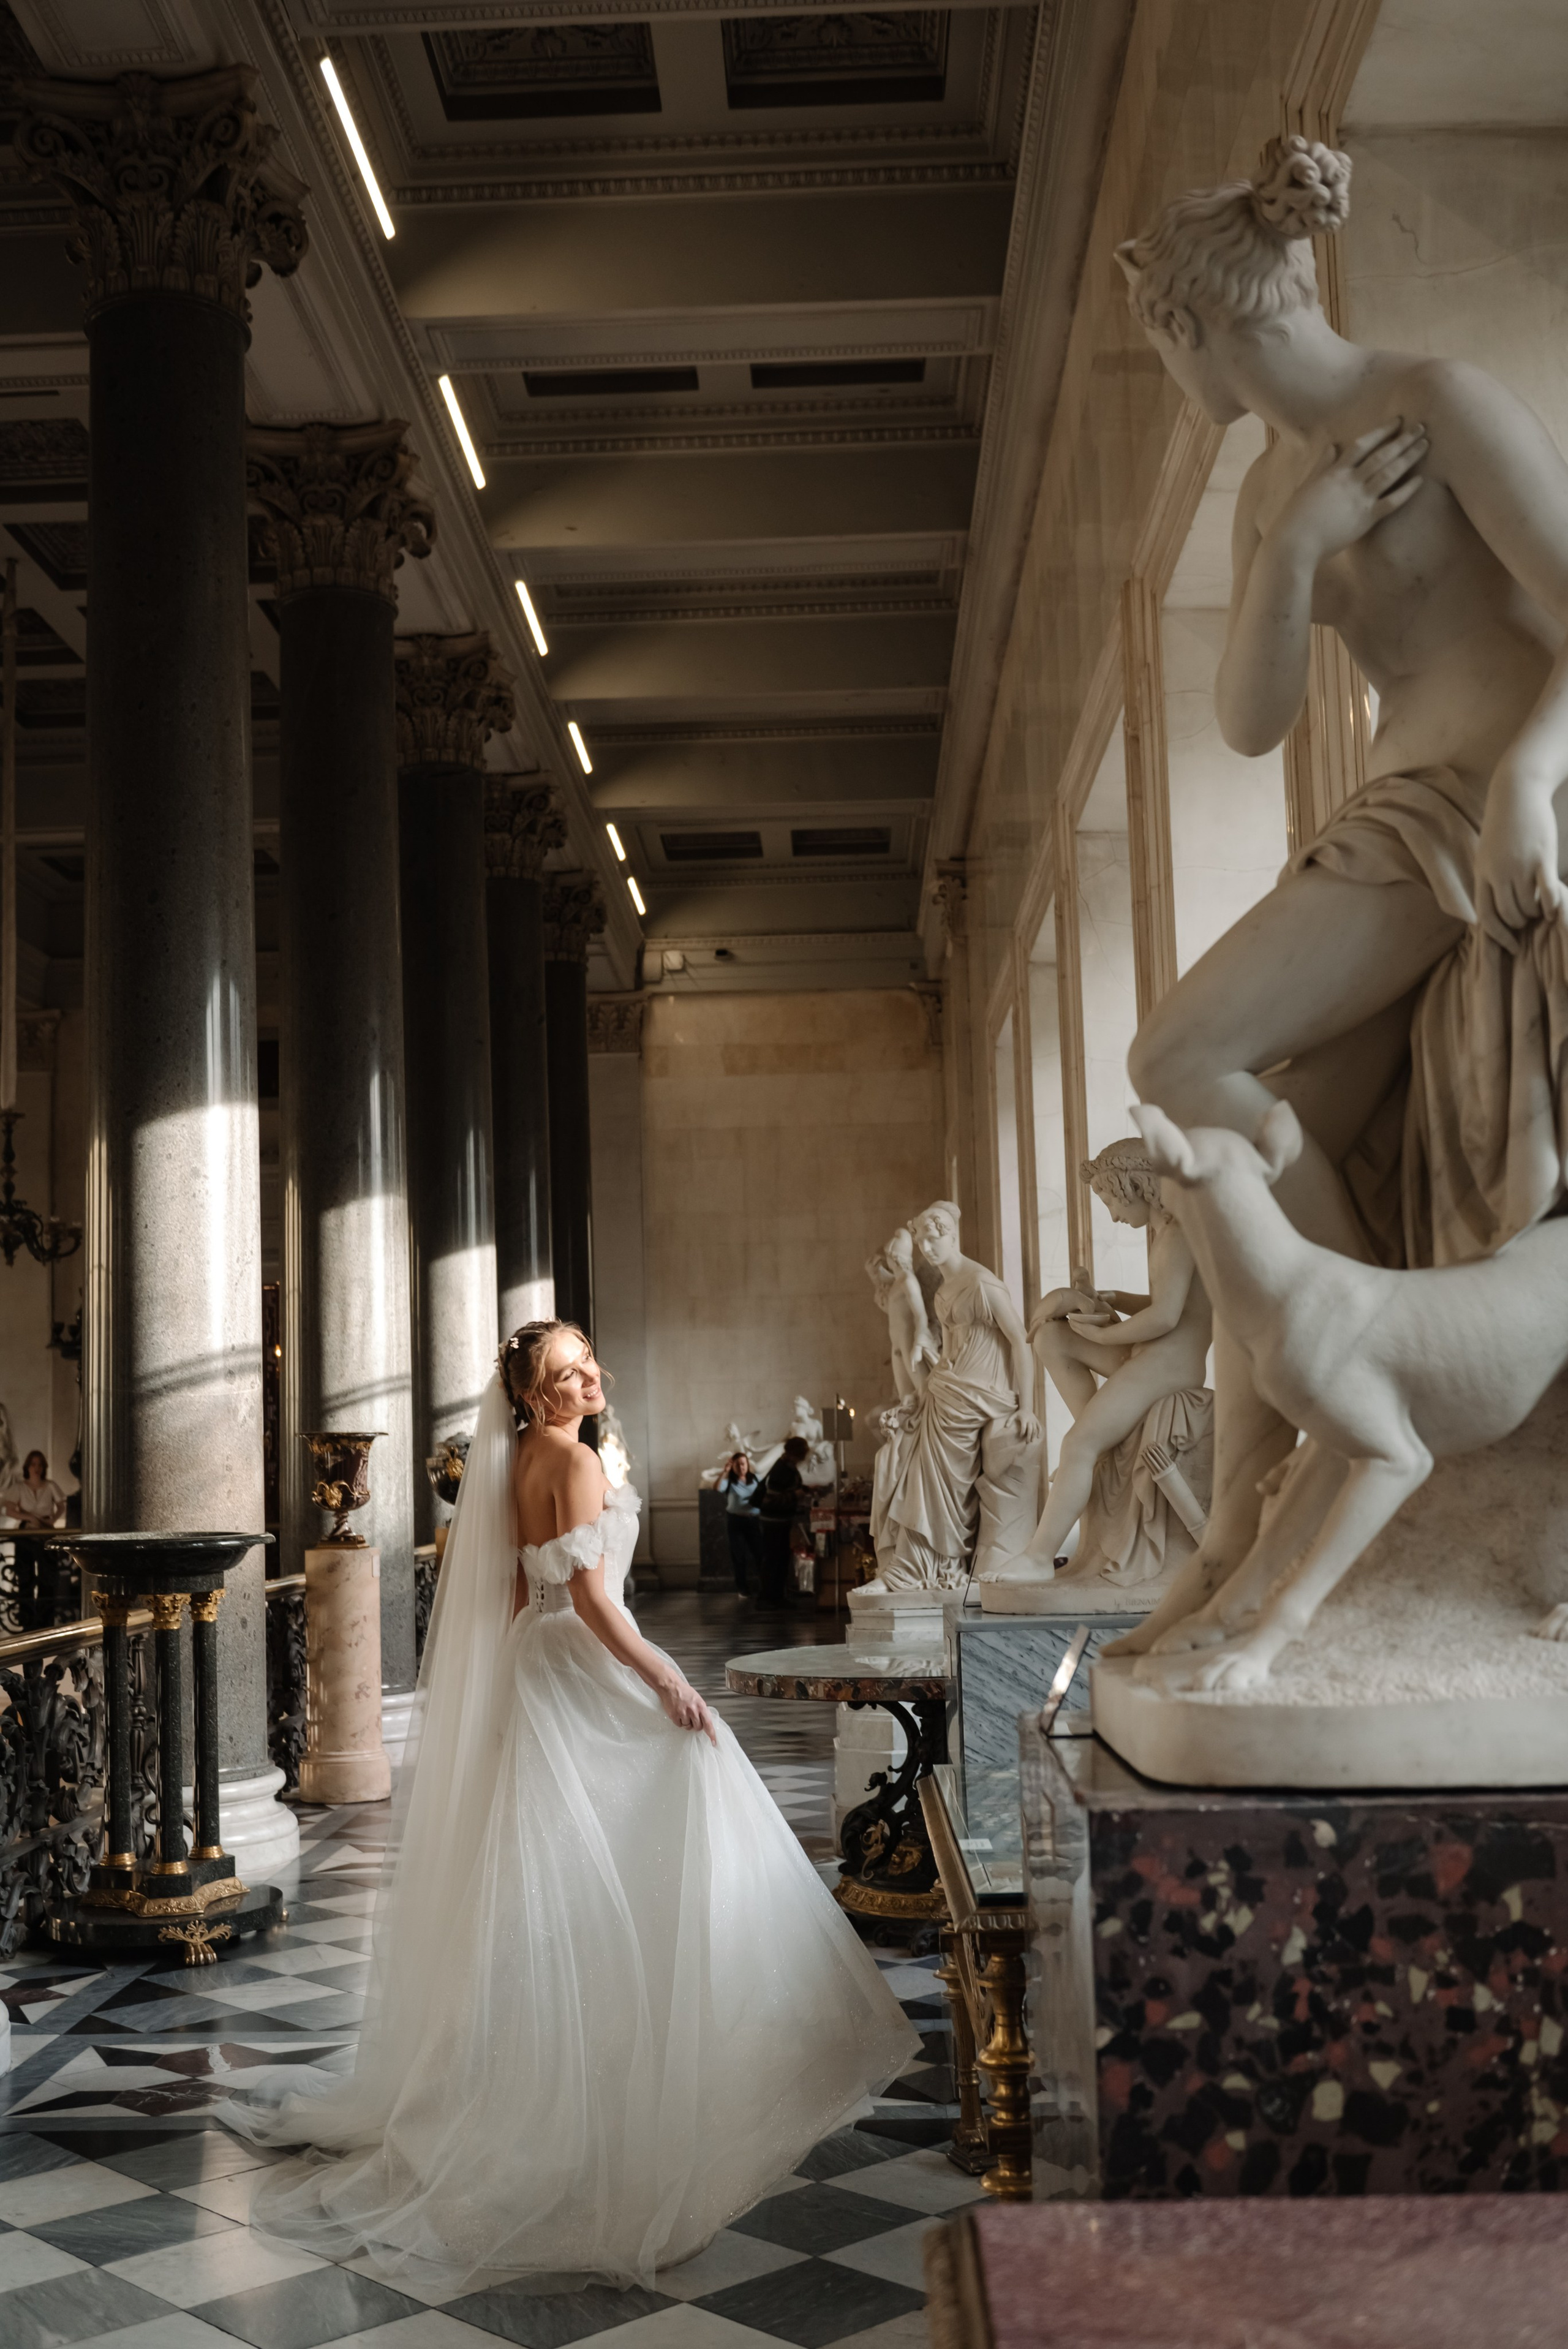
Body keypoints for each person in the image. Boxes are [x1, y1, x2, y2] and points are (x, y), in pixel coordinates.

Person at [1110, 131, 1568, 1612]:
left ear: (1188, 326)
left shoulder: (1435, 402)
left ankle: (1380, 1383)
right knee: (1291, 1121)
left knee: (1178, 1049)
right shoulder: (1267, 493)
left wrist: (1527, 774)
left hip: (1461, 809)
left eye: (1157, 342)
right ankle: (1359, 1431)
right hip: (1382, 816)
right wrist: (1296, 542)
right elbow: (1246, 727)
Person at [225, 1320, 914, 2292]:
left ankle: (575, 2057)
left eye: (587, 1361)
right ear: (532, 1395)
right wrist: (667, 1674)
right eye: (565, 1372)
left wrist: (505, 1692)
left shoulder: (512, 1466)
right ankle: (659, 2070)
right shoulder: (577, 1461)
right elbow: (593, 1598)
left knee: (559, 1858)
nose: (589, 1377)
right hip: (587, 1656)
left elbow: (517, 1590)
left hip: (539, 1665)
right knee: (665, 1800)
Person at [984, 1141, 1212, 1585]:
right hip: (1151, 1355)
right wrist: (1114, 1299)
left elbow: (1166, 1317)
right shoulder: (1166, 1233)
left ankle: (1038, 1556)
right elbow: (1170, 1303)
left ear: (1134, 1183)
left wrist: (1105, 1333)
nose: (1111, 1214)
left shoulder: (1182, 1233)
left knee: (1076, 1445)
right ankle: (1099, 1434)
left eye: (1110, 1198)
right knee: (1052, 1335)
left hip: (1170, 1364)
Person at [758, 1433, 809, 1607]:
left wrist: (806, 1490)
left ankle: (776, 1596)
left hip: (779, 1520)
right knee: (774, 1559)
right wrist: (798, 1494)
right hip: (774, 1521)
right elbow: (772, 1498)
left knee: (779, 1559)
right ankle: (768, 1598)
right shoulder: (783, 1468)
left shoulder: (786, 1466)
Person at [715, 1449, 762, 1594]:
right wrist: (725, 1472)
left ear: (747, 1465)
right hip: (736, 1522)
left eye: (743, 1464)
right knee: (739, 1556)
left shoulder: (756, 1479)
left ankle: (766, 1587)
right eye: (737, 1465)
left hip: (753, 1521)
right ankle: (742, 1588)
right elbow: (717, 1488)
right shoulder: (729, 1481)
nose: (741, 1467)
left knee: (760, 1554)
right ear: (733, 1466)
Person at [1, 1450, 67, 1529]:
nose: (37, 1468)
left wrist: (54, 1519)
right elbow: (10, 1511)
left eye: (40, 1465)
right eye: (33, 1465)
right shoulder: (19, 1488)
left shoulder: (51, 1486)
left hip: (46, 1526)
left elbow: (61, 1507)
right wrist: (30, 1518)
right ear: (28, 1467)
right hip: (27, 1527)